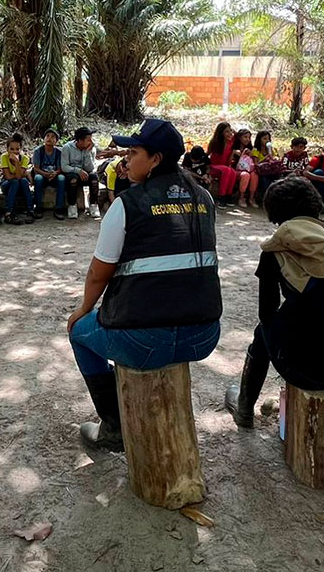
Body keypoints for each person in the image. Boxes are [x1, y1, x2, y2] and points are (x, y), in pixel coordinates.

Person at [67, 118, 221, 451]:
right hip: (203, 336)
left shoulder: (126, 204)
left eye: (134, 152)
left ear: (155, 160)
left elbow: (98, 273)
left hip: (143, 341)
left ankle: (113, 427)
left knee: (79, 332)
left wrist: (83, 309)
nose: (126, 160)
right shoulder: (205, 199)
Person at [224, 176, 324, 430]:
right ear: (315, 205)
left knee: (262, 332)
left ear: (275, 215)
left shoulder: (273, 253)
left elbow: (266, 313)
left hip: (303, 369)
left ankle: (244, 407)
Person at [62, 127, 101, 220]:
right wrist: (78, 171)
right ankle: (72, 205)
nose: (91, 142)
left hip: (86, 174)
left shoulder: (91, 149)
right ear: (80, 140)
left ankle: (93, 204)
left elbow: (91, 168)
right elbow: (64, 167)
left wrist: (87, 153)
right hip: (72, 173)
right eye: (88, 140)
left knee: (94, 179)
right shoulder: (67, 148)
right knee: (73, 179)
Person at [0, 133, 35, 225]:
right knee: (15, 181)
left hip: (19, 185)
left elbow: (19, 177)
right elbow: (8, 177)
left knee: (23, 181)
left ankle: (30, 211)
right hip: (6, 184)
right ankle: (9, 213)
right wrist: (22, 174)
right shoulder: (4, 157)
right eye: (12, 149)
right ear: (7, 149)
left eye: (17, 149)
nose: (15, 151)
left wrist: (17, 162)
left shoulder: (25, 158)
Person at [31, 129, 67, 220]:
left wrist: (55, 173)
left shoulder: (59, 152)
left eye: (53, 137)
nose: (49, 139)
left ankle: (59, 208)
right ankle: (38, 207)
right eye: (47, 136)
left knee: (62, 178)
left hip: (54, 176)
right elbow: (36, 168)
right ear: (44, 139)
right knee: (38, 178)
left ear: (56, 141)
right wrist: (45, 174)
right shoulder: (38, 151)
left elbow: (60, 168)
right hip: (42, 175)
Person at [206, 122, 238, 205]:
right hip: (214, 167)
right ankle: (221, 196)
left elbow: (238, 134)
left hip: (225, 167)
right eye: (226, 131)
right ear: (221, 133)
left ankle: (228, 195)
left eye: (230, 131)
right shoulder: (215, 142)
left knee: (233, 172)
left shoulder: (231, 142)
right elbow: (207, 155)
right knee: (227, 170)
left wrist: (233, 132)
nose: (229, 133)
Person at [253, 131, 288, 200]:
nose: (267, 140)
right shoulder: (256, 150)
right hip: (262, 172)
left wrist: (274, 158)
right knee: (264, 180)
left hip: (271, 170)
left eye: (268, 139)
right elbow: (256, 164)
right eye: (264, 139)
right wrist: (265, 158)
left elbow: (274, 159)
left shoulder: (271, 149)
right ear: (259, 139)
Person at [233, 128, 259, 207]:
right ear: (239, 138)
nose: (247, 139)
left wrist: (252, 155)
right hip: (236, 170)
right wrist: (234, 153)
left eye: (249, 137)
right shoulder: (234, 149)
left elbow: (254, 163)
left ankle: (251, 198)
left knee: (254, 175)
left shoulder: (251, 149)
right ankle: (241, 198)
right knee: (245, 175)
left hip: (249, 169)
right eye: (245, 137)